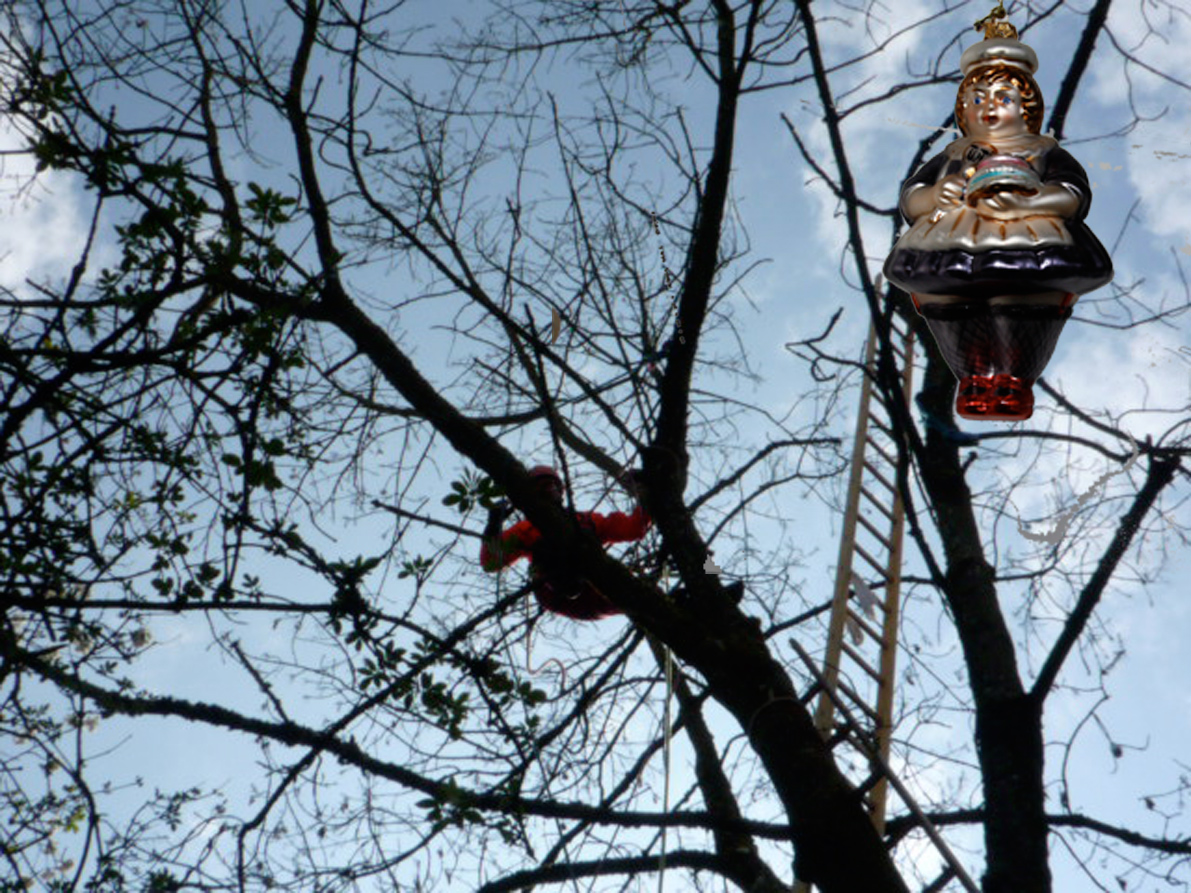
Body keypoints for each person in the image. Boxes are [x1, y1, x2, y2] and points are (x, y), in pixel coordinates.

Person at [883, 14, 1112, 420]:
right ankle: (970, 374)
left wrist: (1031, 202)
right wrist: (935, 195)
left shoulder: (1042, 151)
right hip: (948, 244)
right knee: (943, 296)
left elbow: (1073, 192)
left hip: (1030, 240)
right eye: (977, 99)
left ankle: (1012, 377)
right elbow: (912, 196)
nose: (988, 107)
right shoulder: (951, 156)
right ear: (962, 111)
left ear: (1027, 109)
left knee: (1021, 298)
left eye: (1003, 98)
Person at [479, 466, 652, 620]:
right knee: (544, 546)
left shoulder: (586, 520)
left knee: (643, 598)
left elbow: (634, 528)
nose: (550, 489)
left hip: (594, 590)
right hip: (555, 592)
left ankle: (666, 605)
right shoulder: (528, 529)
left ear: (561, 490)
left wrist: (646, 489)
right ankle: (569, 581)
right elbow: (490, 560)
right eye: (542, 486)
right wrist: (494, 525)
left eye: (552, 484)